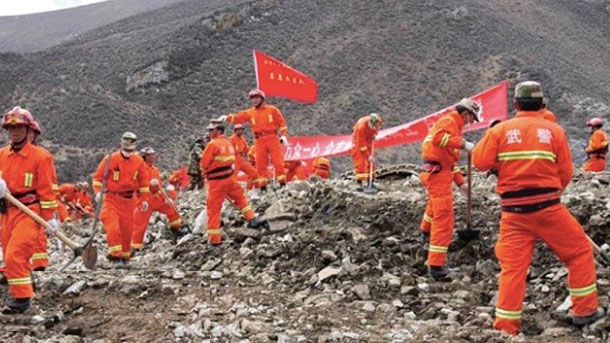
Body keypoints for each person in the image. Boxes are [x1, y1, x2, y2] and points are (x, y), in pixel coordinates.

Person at [472, 81, 603, 335]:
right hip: (549, 209)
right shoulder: (554, 131)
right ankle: (585, 311)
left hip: (513, 216)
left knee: (512, 269)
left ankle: (506, 327)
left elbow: (479, 161)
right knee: (578, 254)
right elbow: (565, 173)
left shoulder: (501, 131)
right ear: (543, 104)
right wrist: (551, 194)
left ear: (515, 105)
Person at [0, 106, 58, 313]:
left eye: (19, 127)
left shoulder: (41, 157)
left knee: (15, 254)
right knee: (10, 256)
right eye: (11, 128)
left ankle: (22, 299)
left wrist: (50, 218)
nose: (14, 131)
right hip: (7, 212)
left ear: (27, 129)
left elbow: (47, 189)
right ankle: (20, 290)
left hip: (30, 212)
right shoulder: (2, 155)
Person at [420, 98, 479, 280]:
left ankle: (425, 234)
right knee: (444, 219)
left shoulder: (453, 126)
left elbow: (450, 161)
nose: (470, 122)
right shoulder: (449, 121)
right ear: (465, 113)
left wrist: (461, 183)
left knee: (433, 209)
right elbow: (439, 139)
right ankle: (436, 266)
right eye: (471, 118)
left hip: (439, 174)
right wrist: (462, 144)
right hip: (437, 176)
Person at [200, 122, 269, 245]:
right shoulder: (228, 142)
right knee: (241, 199)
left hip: (217, 181)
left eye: (211, 130)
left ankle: (214, 240)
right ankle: (252, 218)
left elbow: (204, 164)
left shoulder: (212, 144)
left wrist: (206, 172)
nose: (209, 133)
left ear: (218, 131)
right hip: (230, 178)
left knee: (213, 209)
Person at [92, 132, 150, 267]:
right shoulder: (110, 159)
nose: (128, 152)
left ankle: (124, 258)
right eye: (126, 149)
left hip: (129, 201)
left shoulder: (139, 161)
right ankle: (115, 257)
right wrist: (97, 192)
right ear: (121, 146)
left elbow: (143, 182)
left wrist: (144, 199)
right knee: (112, 226)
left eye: (131, 149)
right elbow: (98, 178)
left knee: (127, 231)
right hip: (112, 198)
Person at [218, 89, 289, 190]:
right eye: (252, 99)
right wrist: (227, 118)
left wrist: (284, 135)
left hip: (272, 137)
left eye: (256, 98)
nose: (254, 100)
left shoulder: (272, 110)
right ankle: (263, 187)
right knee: (260, 163)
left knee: (278, 161)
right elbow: (238, 118)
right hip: (259, 140)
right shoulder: (250, 113)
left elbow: (282, 123)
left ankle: (282, 184)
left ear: (262, 98)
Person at [132, 147, 185, 251]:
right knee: (140, 224)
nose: (153, 156)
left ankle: (175, 229)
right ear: (144, 157)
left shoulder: (155, 170)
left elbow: (159, 188)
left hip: (154, 197)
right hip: (143, 199)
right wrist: (149, 185)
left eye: (153, 154)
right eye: (150, 155)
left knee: (172, 208)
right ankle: (135, 247)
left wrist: (166, 199)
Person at [352, 113, 382, 191]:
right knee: (360, 163)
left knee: (371, 163)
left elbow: (377, 128)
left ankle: (370, 182)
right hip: (359, 143)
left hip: (369, 140)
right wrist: (368, 155)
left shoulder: (378, 121)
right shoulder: (361, 127)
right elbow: (360, 143)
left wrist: (374, 134)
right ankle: (359, 184)